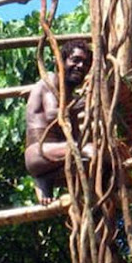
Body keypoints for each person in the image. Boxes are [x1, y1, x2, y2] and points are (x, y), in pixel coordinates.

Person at [24, 39, 93, 205]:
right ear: (61, 61)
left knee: (98, 157)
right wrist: (84, 103)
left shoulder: (69, 96)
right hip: (39, 151)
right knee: (92, 151)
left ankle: (45, 180)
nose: (80, 66)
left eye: (85, 63)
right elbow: (53, 114)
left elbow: (75, 138)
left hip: (55, 157)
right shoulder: (51, 80)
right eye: (75, 60)